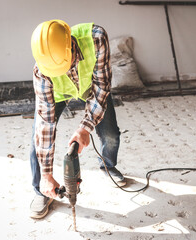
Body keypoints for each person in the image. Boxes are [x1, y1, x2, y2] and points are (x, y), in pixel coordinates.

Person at [29, 20, 126, 219]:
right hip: (58, 94)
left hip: (91, 86)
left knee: (111, 134)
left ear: (71, 45)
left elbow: (102, 89)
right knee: (36, 142)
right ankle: (43, 190)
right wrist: (47, 174)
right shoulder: (41, 71)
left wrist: (84, 128)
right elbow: (45, 124)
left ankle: (107, 165)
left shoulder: (96, 38)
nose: (62, 72)